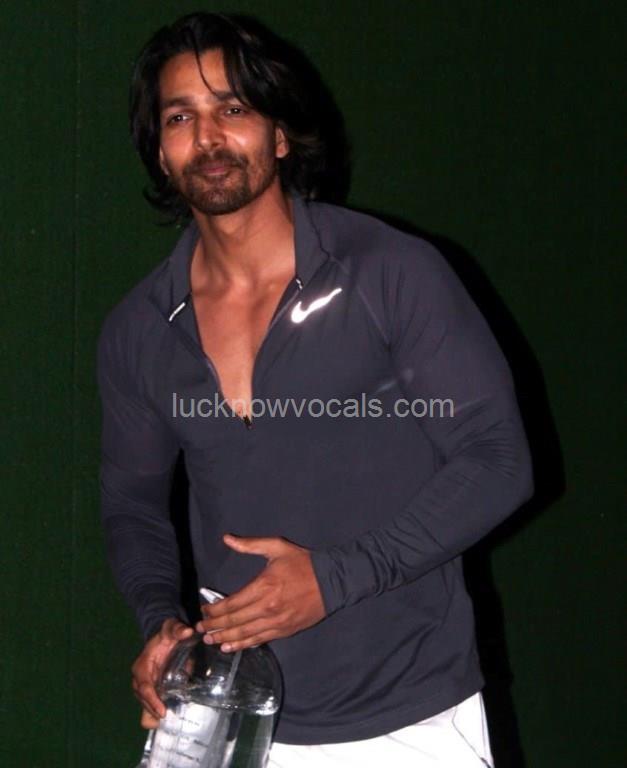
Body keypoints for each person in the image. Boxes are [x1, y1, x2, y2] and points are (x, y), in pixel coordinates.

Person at [97, 12, 533, 767]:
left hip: (407, 716)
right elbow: (133, 505)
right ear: (161, 153)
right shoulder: (140, 328)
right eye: (180, 117)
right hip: (220, 720)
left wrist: (332, 579)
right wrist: (159, 621)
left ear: (279, 134)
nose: (208, 136)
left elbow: (498, 459)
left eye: (233, 107)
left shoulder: (389, 273)